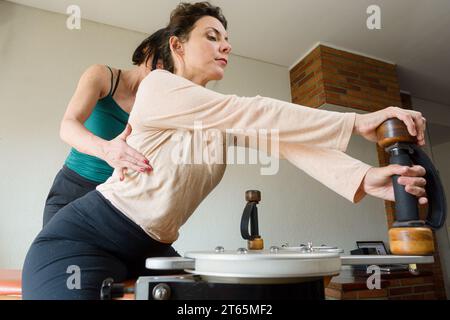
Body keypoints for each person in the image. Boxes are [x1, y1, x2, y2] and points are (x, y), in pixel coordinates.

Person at [23, 2, 428, 300]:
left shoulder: (214, 118)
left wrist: (363, 176)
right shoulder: (159, 86)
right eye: (212, 36)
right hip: (80, 241)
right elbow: (248, 110)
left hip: (149, 246)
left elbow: (284, 140)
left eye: (227, 40)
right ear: (177, 45)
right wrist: (357, 121)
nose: (225, 47)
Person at [41, 29, 166, 226]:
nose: (163, 66)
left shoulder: (160, 106)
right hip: (74, 187)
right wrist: (107, 150)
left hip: (117, 198)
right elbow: (68, 125)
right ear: (145, 49)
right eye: (162, 57)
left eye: (171, 64)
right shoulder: (103, 76)